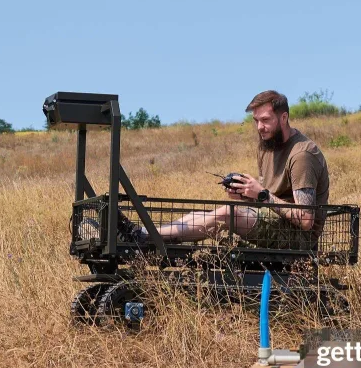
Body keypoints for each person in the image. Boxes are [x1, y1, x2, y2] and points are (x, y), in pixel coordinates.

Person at [123, 90, 330, 249]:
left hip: (298, 238)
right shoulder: (267, 146)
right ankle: (146, 234)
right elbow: (271, 201)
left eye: (266, 120)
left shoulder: (302, 155)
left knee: (227, 214)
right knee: (199, 214)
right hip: (274, 221)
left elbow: (305, 220)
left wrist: (262, 194)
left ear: (284, 118)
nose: (259, 127)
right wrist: (247, 195)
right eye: (256, 121)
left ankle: (142, 237)